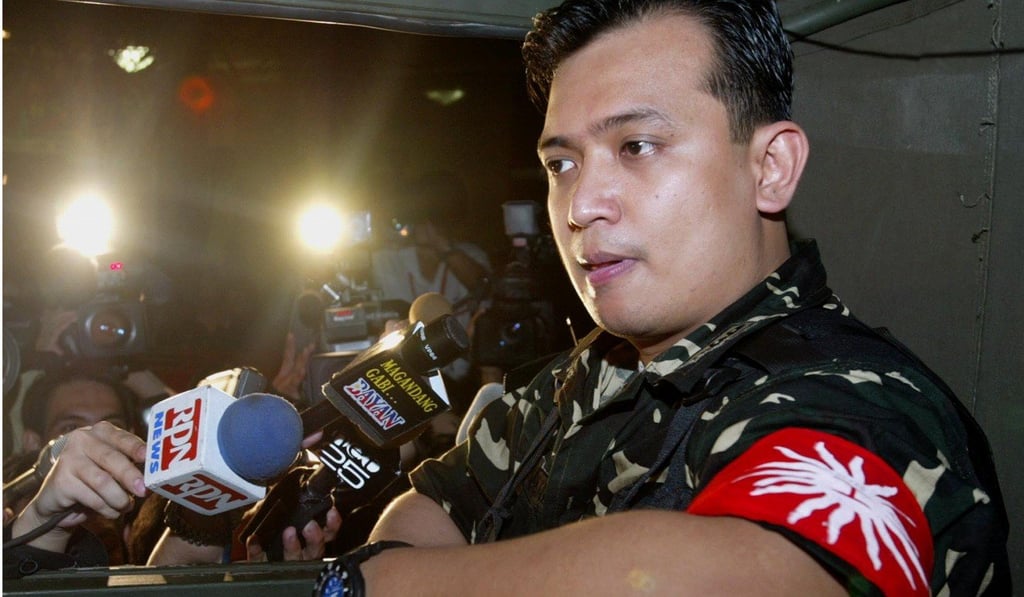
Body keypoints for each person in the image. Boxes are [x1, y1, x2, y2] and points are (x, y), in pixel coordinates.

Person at [317, 1, 1009, 596]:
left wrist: (372, 581)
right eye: (562, 164)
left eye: (637, 145)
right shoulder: (588, 375)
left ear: (769, 168)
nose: (581, 203)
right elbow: (435, 503)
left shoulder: (860, 403)